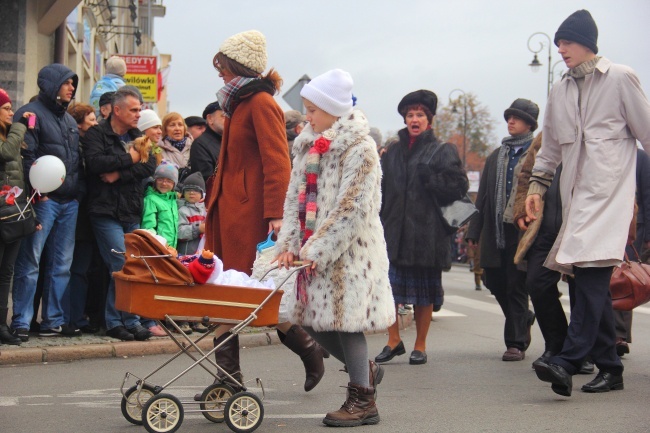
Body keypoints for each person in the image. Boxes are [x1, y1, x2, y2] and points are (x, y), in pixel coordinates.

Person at [527, 9, 650, 396]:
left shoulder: (620, 78)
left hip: (610, 198)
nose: (561, 49)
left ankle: (567, 358)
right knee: (586, 280)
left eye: (566, 42)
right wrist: (536, 189)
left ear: (587, 43)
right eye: (558, 43)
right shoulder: (560, 89)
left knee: (593, 278)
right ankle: (610, 367)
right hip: (575, 200)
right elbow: (549, 149)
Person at [202, 29, 325, 398]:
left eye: (223, 66)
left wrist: (276, 215)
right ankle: (228, 379)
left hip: (251, 216)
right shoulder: (239, 102)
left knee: (257, 297)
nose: (220, 74)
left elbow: (277, 161)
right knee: (226, 294)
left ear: (239, 65)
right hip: (231, 214)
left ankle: (311, 351)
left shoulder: (259, 103)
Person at [276, 68, 395, 427]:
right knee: (303, 316)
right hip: (313, 250)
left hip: (349, 252)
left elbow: (353, 207)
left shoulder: (360, 148)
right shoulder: (308, 144)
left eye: (312, 109)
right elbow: (295, 199)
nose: (307, 116)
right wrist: (289, 244)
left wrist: (317, 249)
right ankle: (366, 372)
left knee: (345, 322)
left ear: (333, 110)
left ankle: (363, 400)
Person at [376, 90, 468, 366]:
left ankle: (420, 344)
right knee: (389, 290)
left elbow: (459, 186)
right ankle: (393, 340)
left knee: (424, 295)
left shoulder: (443, 150)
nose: (414, 119)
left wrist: (434, 180)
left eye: (419, 115)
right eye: (410, 115)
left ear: (429, 120)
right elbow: (379, 189)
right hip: (394, 233)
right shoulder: (391, 152)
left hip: (426, 235)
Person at [10, 64, 84, 340]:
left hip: (69, 202)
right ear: (51, 84)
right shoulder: (30, 114)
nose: (71, 88)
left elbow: (75, 162)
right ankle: (21, 321)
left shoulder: (67, 121)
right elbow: (26, 158)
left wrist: (77, 193)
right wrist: (37, 194)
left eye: (73, 84)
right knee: (30, 263)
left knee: (61, 264)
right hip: (42, 200)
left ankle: (52, 320)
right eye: (66, 83)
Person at [81, 86, 157, 342]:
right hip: (104, 211)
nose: (139, 114)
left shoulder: (138, 135)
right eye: (134, 110)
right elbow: (96, 164)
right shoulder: (96, 134)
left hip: (130, 211)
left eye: (140, 109)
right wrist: (130, 158)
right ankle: (118, 321)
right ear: (117, 110)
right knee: (120, 264)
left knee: (132, 266)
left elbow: (150, 165)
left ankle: (129, 320)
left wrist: (120, 173)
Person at [466, 99, 538, 362]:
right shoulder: (496, 155)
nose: (510, 121)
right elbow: (483, 196)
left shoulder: (537, 152)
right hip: (496, 230)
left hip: (523, 230)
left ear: (529, 123)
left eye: (516, 118)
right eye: (508, 117)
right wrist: (473, 231)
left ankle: (515, 342)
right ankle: (523, 318)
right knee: (493, 280)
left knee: (516, 284)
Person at [0, 89, 36, 345]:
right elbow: (6, 153)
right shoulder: (11, 136)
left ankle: (2, 324)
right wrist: (19, 127)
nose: (12, 112)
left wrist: (29, 214)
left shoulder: (11, 135)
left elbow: (18, 180)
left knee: (7, 272)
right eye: (7, 108)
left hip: (13, 214)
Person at [66, 102, 100, 334]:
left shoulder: (90, 145)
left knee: (83, 268)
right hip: (75, 212)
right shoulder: (75, 148)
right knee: (72, 268)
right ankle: (70, 318)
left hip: (87, 214)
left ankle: (78, 317)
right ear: (79, 125)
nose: (96, 124)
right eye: (91, 121)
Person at [141, 162, 179, 249]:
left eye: (169, 181)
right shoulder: (151, 199)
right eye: (160, 179)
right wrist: (159, 245)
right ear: (155, 181)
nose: (164, 183)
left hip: (171, 248)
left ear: (174, 184)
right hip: (157, 248)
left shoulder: (172, 201)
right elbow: (148, 227)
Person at [189, 101, 224, 182]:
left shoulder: (230, 142)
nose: (228, 119)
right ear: (210, 119)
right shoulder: (200, 145)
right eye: (223, 116)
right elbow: (206, 180)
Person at [176, 171, 206, 256]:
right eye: (188, 190)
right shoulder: (182, 211)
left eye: (196, 190)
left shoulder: (206, 212)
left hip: (202, 254)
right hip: (185, 254)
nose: (191, 193)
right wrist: (198, 229)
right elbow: (179, 232)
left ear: (202, 194)